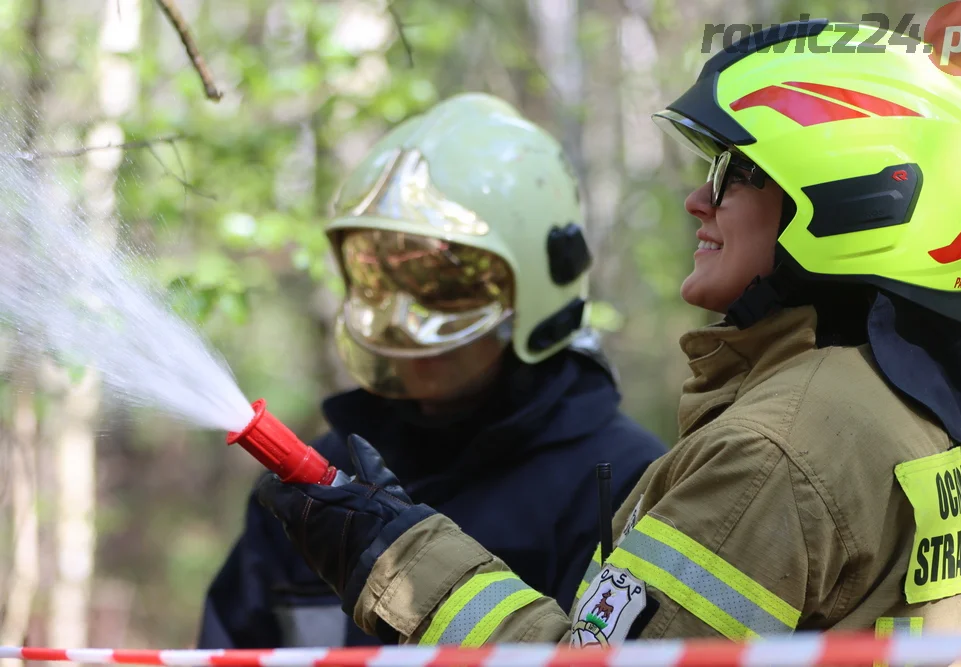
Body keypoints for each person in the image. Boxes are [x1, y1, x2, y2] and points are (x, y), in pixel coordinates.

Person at [255, 19, 961, 646]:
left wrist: (395, 553)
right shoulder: (895, 403)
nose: (694, 201)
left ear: (852, 201)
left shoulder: (777, 451)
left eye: (734, 174)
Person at [196, 93, 667, 649]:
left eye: (445, 283)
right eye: (378, 275)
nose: (400, 318)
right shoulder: (315, 488)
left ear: (539, 282)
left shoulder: (622, 482)